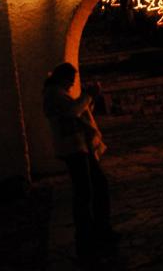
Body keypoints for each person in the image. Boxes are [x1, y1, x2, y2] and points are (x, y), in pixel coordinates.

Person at [43, 62, 118, 264]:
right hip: (74, 149)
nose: (72, 84)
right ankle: (90, 235)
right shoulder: (53, 94)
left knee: (94, 186)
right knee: (87, 190)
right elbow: (72, 111)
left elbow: (76, 109)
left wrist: (89, 98)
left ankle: (98, 230)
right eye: (71, 80)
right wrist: (89, 95)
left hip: (79, 147)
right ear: (62, 78)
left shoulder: (57, 93)